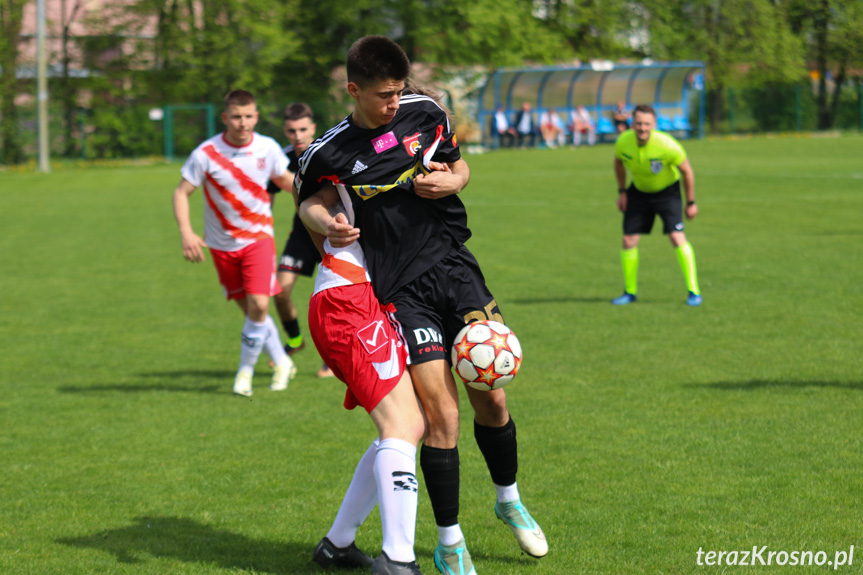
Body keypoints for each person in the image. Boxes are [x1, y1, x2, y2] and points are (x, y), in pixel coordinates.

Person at [297, 36, 548, 575]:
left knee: (493, 400)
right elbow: (309, 204)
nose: (394, 103)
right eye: (384, 95)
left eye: (399, 91)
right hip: (400, 292)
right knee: (441, 416)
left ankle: (509, 500)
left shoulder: (425, 112)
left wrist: (452, 179)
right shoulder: (328, 151)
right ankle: (449, 541)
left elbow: (459, 167)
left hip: (456, 269)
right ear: (353, 89)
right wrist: (331, 225)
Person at [302, 189, 426, 575]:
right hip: (348, 299)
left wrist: (455, 174)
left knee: (410, 423)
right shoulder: (347, 151)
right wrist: (327, 223)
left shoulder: (403, 146)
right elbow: (306, 193)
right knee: (402, 426)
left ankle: (338, 545)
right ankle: (398, 559)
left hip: (363, 298)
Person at [172, 89, 297, 396]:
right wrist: (186, 232)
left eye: (249, 116)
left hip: (258, 239)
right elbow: (180, 193)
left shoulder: (267, 148)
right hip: (221, 244)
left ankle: (245, 373)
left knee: (258, 304)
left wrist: (314, 211)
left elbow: (288, 182)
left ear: (256, 116)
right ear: (226, 118)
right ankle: (282, 362)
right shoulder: (206, 153)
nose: (243, 123)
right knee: (252, 312)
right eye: (237, 117)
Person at [266, 103, 334, 378]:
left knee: (331, 298)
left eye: (303, 129)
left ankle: (331, 359)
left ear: (313, 128)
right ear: (285, 130)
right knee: (280, 292)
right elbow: (266, 200)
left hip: (331, 232)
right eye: (292, 131)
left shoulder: (327, 154)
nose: (298, 135)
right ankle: (294, 340)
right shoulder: (281, 160)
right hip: (301, 234)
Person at [612, 104, 702, 306]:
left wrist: (691, 202)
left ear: (654, 125)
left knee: (677, 237)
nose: (642, 128)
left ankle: (693, 291)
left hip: (667, 193)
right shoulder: (623, 142)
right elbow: (618, 163)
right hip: (638, 193)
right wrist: (622, 191)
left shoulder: (667, 145)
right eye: (638, 123)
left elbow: (687, 171)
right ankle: (629, 292)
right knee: (628, 241)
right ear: (632, 124)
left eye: (646, 124)